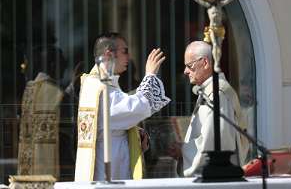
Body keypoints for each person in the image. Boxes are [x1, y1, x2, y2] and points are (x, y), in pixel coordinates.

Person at [74, 32, 170, 181]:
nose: (128, 57)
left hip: (112, 156)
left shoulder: (95, 83)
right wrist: (150, 75)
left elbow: (110, 121)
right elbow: (135, 108)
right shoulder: (100, 87)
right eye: (124, 51)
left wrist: (133, 131)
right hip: (108, 166)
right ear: (108, 54)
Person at [168, 41, 249, 177]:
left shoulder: (218, 93)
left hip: (216, 177)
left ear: (205, 63)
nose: (185, 71)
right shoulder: (209, 90)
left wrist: (183, 149)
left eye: (189, 66)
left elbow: (217, 141)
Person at [18, 45, 67, 179]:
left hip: (28, 160)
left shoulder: (29, 89)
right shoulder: (55, 91)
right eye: (63, 65)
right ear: (52, 65)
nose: (64, 70)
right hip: (51, 161)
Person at [182, 0, 243, 72]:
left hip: (220, 28)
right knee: (215, 45)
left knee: (218, 47)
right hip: (212, 29)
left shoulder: (220, 5)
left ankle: (217, 62)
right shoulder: (208, 6)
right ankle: (216, 65)